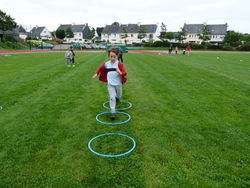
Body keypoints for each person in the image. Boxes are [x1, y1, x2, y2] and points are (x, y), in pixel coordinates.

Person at [92, 47, 127, 120]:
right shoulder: (106, 64)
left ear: (117, 56)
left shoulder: (119, 64)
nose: (112, 58)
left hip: (118, 83)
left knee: (119, 96)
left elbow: (125, 73)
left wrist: (119, 72)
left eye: (114, 56)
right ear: (109, 56)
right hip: (110, 83)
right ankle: (113, 112)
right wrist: (96, 73)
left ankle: (118, 98)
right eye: (111, 56)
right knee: (112, 98)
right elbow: (100, 68)